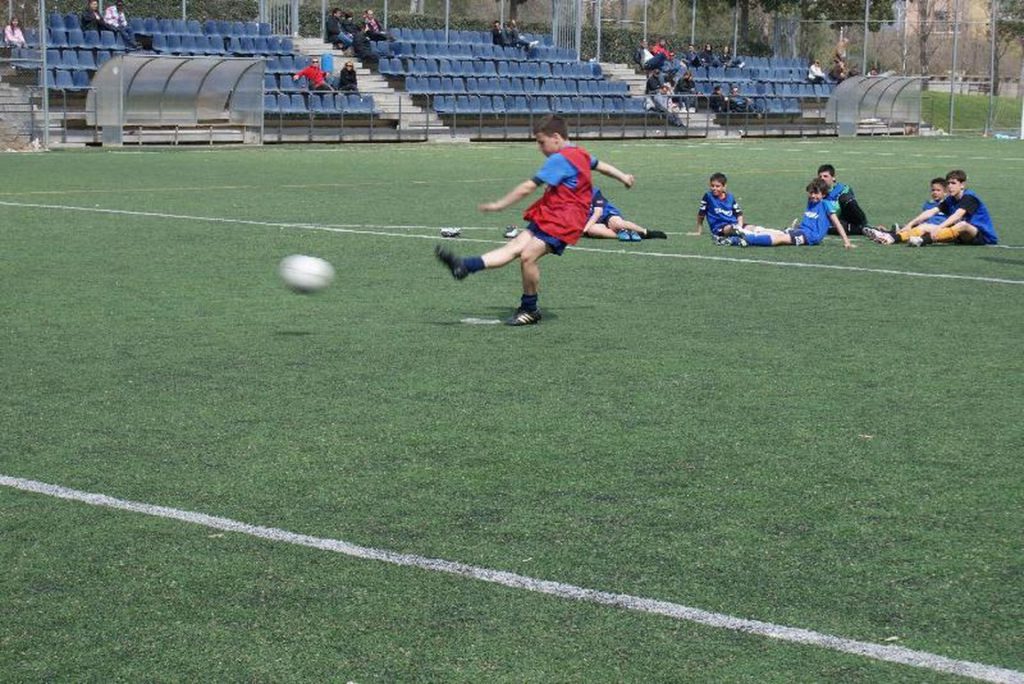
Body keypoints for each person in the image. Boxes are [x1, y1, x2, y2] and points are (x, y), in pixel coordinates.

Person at [434, 114, 636, 326]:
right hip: (550, 213)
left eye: (542, 142)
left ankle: (530, 309)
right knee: (515, 246)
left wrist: (500, 204)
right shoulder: (580, 153)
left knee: (528, 255)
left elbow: (528, 187)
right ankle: (464, 266)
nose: (540, 148)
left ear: (556, 137)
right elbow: (601, 165)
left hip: (564, 220)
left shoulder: (560, 159)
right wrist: (624, 177)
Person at [862, 170, 997, 246]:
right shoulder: (950, 198)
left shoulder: (970, 197)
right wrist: (910, 224)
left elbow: (957, 215)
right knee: (925, 226)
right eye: (948, 183)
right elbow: (931, 211)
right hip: (959, 236)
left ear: (962, 185)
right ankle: (892, 238)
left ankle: (922, 241)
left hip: (981, 236)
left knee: (962, 224)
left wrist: (939, 228)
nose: (950, 186)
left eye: (954, 183)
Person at [732, 177, 853, 248]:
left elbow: (837, 223)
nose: (812, 196)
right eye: (811, 193)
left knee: (782, 238)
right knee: (776, 231)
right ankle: (745, 230)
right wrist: (797, 226)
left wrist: (846, 242)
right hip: (803, 231)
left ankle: (749, 238)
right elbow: (811, 220)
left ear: (824, 194)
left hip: (811, 237)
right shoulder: (810, 202)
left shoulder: (826, 204)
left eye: (816, 193)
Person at [582, 187, 667, 241]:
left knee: (617, 224)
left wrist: (584, 230)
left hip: (607, 215)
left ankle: (645, 233)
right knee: (592, 230)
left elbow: (598, 213)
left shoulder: (594, 191)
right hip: (594, 222)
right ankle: (625, 234)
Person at [689, 172, 744, 244]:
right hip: (719, 228)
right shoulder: (708, 196)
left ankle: (735, 238)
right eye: (712, 186)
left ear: (724, 186)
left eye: (717, 186)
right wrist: (699, 231)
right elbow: (701, 215)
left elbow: (739, 214)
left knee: (754, 228)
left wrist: (740, 226)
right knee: (732, 229)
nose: (714, 188)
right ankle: (737, 237)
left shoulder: (730, 197)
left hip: (735, 225)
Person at [817, 164, 868, 235]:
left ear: (833, 178)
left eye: (825, 176)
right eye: (820, 177)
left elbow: (849, 204)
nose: (822, 178)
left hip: (848, 217)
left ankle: (863, 225)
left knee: (847, 200)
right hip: (836, 222)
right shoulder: (816, 194)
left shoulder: (842, 189)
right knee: (828, 227)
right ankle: (864, 229)